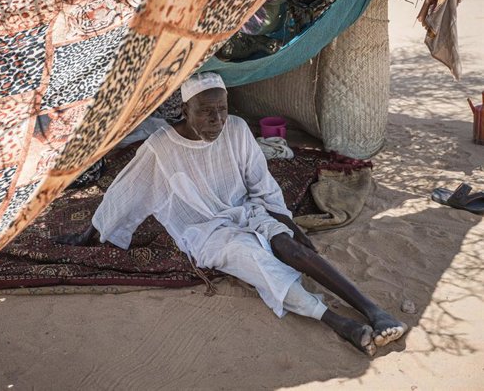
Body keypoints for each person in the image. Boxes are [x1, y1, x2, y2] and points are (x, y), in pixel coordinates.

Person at [57, 72, 406, 355]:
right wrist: (89, 235)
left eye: (222, 109)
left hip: (246, 210)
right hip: (205, 231)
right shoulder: (161, 147)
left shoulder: (237, 130)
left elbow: (262, 183)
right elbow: (124, 192)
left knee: (290, 246)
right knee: (255, 259)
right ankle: (335, 321)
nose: (217, 119)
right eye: (206, 112)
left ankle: (372, 309)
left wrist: (284, 221)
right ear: (185, 109)